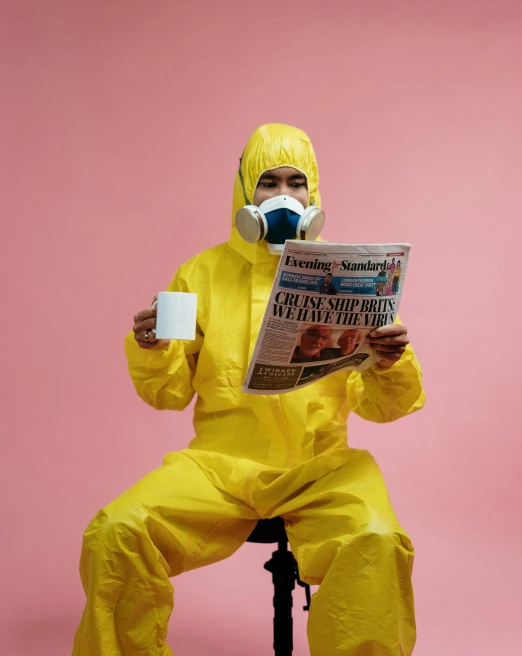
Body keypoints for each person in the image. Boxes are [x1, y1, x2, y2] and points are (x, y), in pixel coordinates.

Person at [71, 123, 426, 656]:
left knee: (376, 539)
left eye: (296, 183)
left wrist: (387, 361)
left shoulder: (350, 273)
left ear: (315, 193)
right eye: (268, 183)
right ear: (244, 191)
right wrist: (152, 348)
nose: (283, 197)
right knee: (117, 531)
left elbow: (386, 407)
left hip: (321, 467)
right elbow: (167, 395)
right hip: (218, 469)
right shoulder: (202, 273)